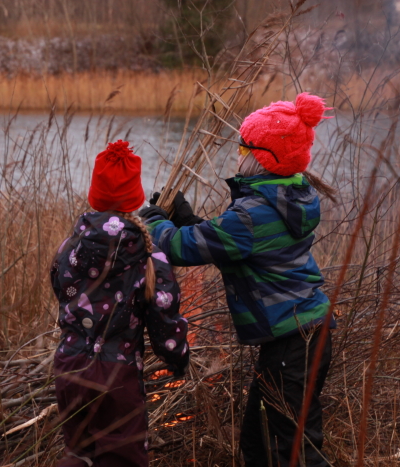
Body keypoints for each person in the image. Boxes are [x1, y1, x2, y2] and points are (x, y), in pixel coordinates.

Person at [141, 93, 336, 467]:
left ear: (263, 157)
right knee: (259, 440)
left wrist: (155, 224)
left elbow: (184, 249)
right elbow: (229, 245)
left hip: (292, 341)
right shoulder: (288, 195)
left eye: (243, 147)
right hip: (303, 332)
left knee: (289, 450)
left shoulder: (254, 213)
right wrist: (188, 219)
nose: (237, 153)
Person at [51, 140, 190, 467]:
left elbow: (62, 292)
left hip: (69, 367)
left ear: (94, 194)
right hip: (117, 373)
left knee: (79, 453)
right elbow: (165, 315)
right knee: (123, 458)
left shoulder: (68, 246)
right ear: (135, 199)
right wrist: (177, 357)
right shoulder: (148, 254)